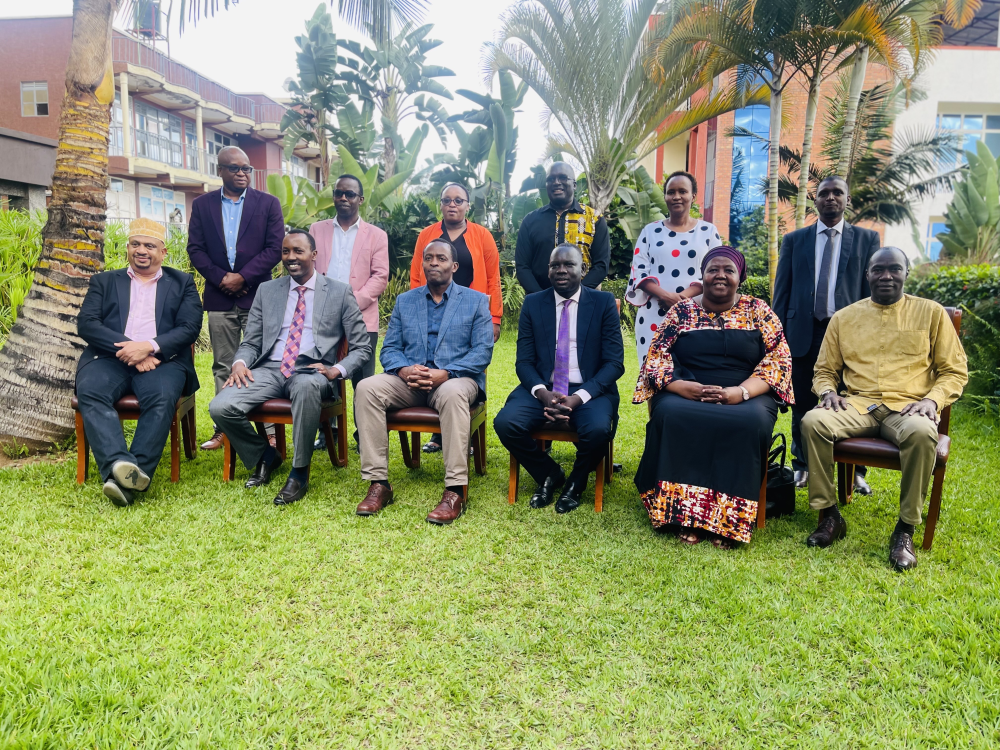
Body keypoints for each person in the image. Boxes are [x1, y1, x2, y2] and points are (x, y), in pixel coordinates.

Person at [801, 247, 968, 571]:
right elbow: (824, 371)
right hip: (857, 403)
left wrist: (932, 401)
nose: (887, 275)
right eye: (879, 270)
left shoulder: (931, 313)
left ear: (907, 272)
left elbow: (954, 371)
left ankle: (905, 528)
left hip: (908, 407)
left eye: (895, 269)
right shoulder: (844, 318)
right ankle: (830, 515)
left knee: (922, 433)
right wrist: (826, 392)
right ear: (868, 275)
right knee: (813, 421)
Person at [633, 246, 793, 548]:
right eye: (713, 270)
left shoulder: (758, 310)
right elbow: (656, 357)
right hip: (687, 391)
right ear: (703, 276)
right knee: (671, 415)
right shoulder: (682, 311)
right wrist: (681, 387)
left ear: (739, 278)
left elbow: (780, 360)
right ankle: (683, 514)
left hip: (746, 393)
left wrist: (740, 392)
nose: (720, 275)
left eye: (728, 270)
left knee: (750, 423)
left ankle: (728, 521)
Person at [209, 230, 372, 507]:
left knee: (307, 387)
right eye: (286, 252)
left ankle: (299, 473)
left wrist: (337, 370)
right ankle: (265, 455)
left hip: (312, 370)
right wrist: (239, 363)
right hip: (270, 369)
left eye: (298, 251)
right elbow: (251, 342)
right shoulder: (268, 290)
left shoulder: (338, 291)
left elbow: (362, 347)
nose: (291, 257)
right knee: (220, 407)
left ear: (314, 255)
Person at [353, 238, 494, 525]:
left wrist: (447, 372)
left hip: (454, 380)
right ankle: (379, 484)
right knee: (366, 387)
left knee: (454, 393)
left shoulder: (476, 301)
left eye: (441, 258)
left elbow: (483, 351)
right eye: (428, 258)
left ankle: (455, 490)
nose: (433, 263)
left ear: (454, 266)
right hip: (410, 382)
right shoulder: (406, 301)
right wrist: (404, 370)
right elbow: (389, 348)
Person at [75, 218, 203, 507]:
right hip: (108, 357)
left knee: (160, 397)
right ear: (128, 249)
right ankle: (122, 466)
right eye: (135, 244)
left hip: (163, 361)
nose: (141, 250)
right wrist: (130, 350)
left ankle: (126, 477)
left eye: (149, 245)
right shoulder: (105, 281)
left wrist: (148, 347)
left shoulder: (182, 282)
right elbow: (87, 324)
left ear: (163, 252)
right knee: (91, 391)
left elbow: (189, 327)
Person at [494, 244, 625, 514]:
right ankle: (549, 474)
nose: (561, 270)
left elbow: (615, 363)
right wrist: (543, 393)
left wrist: (578, 398)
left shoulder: (603, 303)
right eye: (555, 265)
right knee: (506, 423)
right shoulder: (533, 303)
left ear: (583, 269)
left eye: (569, 265)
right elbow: (524, 362)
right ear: (548, 270)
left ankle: (576, 483)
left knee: (599, 430)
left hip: (589, 390)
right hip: (545, 386)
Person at [771, 175, 880, 493]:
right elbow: (782, 293)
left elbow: (871, 294)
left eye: (838, 193)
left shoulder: (866, 239)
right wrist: (777, 337)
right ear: (814, 201)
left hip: (848, 336)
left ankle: (855, 470)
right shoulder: (795, 240)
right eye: (824, 193)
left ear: (847, 200)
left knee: (852, 401)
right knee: (802, 400)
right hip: (803, 332)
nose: (831, 198)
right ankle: (803, 466)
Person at [187, 146, 284, 452]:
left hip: (258, 295)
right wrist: (221, 279)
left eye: (247, 169)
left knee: (263, 362)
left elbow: (274, 247)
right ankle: (224, 427)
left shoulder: (268, 203)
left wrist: (243, 277)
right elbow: (195, 249)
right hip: (219, 297)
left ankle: (269, 428)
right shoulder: (202, 205)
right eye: (235, 169)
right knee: (223, 364)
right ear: (221, 171)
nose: (242, 174)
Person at [410, 182, 503, 454]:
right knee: (431, 367)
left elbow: (493, 279)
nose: (453, 204)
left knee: (464, 371)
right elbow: (416, 276)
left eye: (459, 200)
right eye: (447, 200)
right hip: (431, 312)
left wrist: (494, 317)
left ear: (467, 206)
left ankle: (466, 436)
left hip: (470, 316)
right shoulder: (427, 235)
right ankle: (438, 436)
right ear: (441, 204)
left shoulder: (482, 235)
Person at [309, 174, 390, 449]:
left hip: (362, 318)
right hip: (322, 317)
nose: (344, 198)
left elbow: (380, 276)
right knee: (324, 374)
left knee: (363, 380)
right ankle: (327, 433)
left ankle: (363, 435)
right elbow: (310, 270)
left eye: (350, 194)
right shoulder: (317, 230)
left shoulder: (376, 235)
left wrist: (351, 304)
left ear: (360, 199)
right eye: (339, 193)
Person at [625, 170, 723, 365]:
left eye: (682, 191)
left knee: (694, 373)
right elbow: (639, 270)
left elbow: (716, 271)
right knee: (653, 373)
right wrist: (665, 296)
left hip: (696, 313)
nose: (676, 196)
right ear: (665, 196)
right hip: (653, 314)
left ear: (693, 196)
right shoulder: (650, 231)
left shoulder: (708, 232)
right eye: (671, 192)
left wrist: (680, 300)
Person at [515, 162, 610, 293]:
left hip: (584, 302)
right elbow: (522, 266)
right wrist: (540, 298)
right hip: (540, 303)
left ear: (574, 185)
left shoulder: (594, 219)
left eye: (563, 178)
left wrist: (578, 295)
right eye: (550, 179)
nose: (556, 182)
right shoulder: (530, 221)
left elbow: (601, 265)